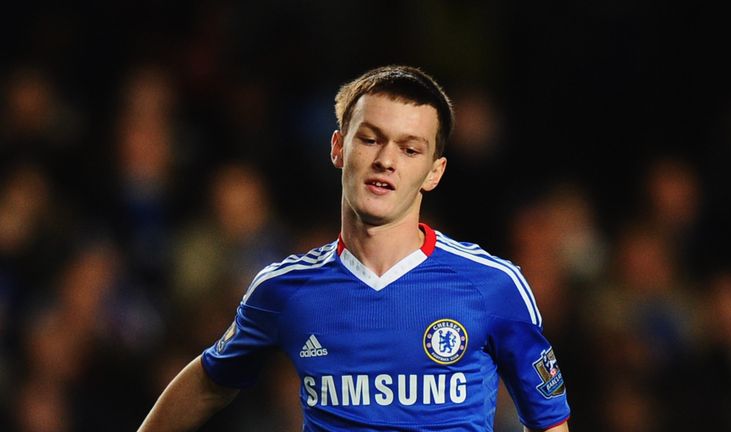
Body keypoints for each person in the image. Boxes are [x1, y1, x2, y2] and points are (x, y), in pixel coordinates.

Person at [138, 65, 571, 431]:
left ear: (434, 172)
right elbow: (210, 382)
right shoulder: (283, 290)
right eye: (370, 139)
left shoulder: (493, 285)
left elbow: (549, 422)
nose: (386, 160)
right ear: (338, 148)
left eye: (409, 149)